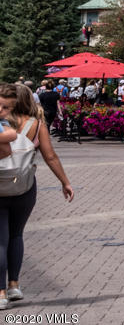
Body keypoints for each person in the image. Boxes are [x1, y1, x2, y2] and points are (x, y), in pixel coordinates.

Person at [0, 82, 75, 308]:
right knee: (16, 235)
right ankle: (14, 285)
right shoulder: (36, 124)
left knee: (0, 240)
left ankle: (1, 294)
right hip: (24, 187)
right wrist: (65, 182)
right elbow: (50, 156)